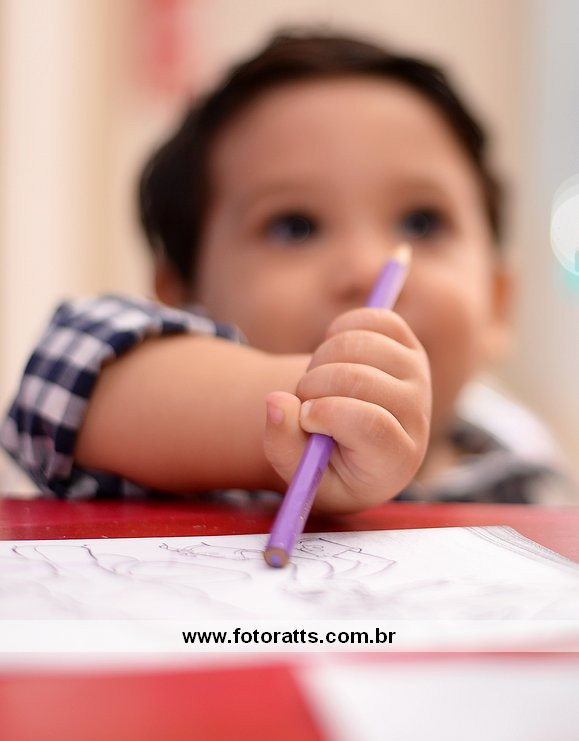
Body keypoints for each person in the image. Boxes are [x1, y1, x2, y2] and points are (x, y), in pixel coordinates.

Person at [0, 29, 573, 505]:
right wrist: (296, 408)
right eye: (295, 226)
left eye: (422, 223)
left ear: (498, 304)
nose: (367, 269)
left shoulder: (529, 479)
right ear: (180, 298)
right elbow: (65, 376)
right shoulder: (172, 467)